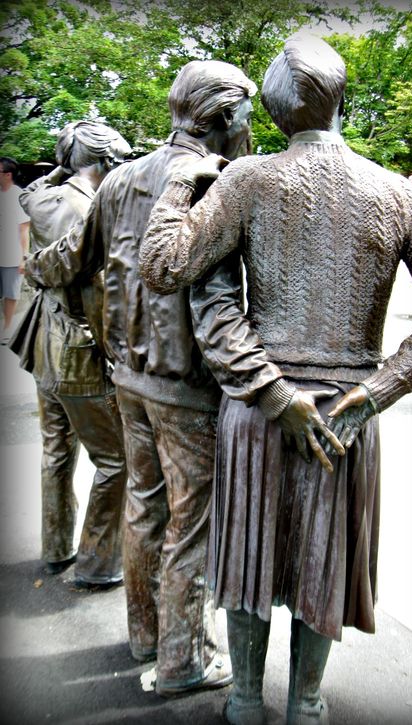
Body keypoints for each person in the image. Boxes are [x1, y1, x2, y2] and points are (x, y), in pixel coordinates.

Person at [140, 34, 412, 724]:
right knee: (323, 563)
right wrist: (374, 392)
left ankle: (241, 701)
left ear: (275, 111)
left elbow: (162, 263)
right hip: (343, 415)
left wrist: (182, 173)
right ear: (342, 100)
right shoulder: (396, 194)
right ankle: (307, 702)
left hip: (263, 405)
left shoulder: (245, 179)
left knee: (247, 559)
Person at [23, 60, 258, 695]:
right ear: (223, 119)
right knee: (193, 522)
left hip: (128, 376)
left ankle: (146, 635)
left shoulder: (121, 179)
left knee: (145, 505)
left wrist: (31, 269)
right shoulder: (217, 179)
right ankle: (185, 660)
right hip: (187, 384)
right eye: (246, 115)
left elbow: (69, 261)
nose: (251, 128)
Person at [11, 122, 130, 586]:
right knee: (117, 459)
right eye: (116, 161)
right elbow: (96, 291)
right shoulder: (85, 211)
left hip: (43, 342)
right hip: (77, 347)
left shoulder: (43, 197)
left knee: (57, 449)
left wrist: (64, 168)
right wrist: (114, 352)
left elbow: (36, 186)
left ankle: (56, 547)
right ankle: (99, 562)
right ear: (102, 162)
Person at [0, 157, 30, 344]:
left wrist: (23, 258)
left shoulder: (18, 196)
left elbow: (24, 228)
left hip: (11, 256)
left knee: (11, 295)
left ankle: (7, 327)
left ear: (8, 175)